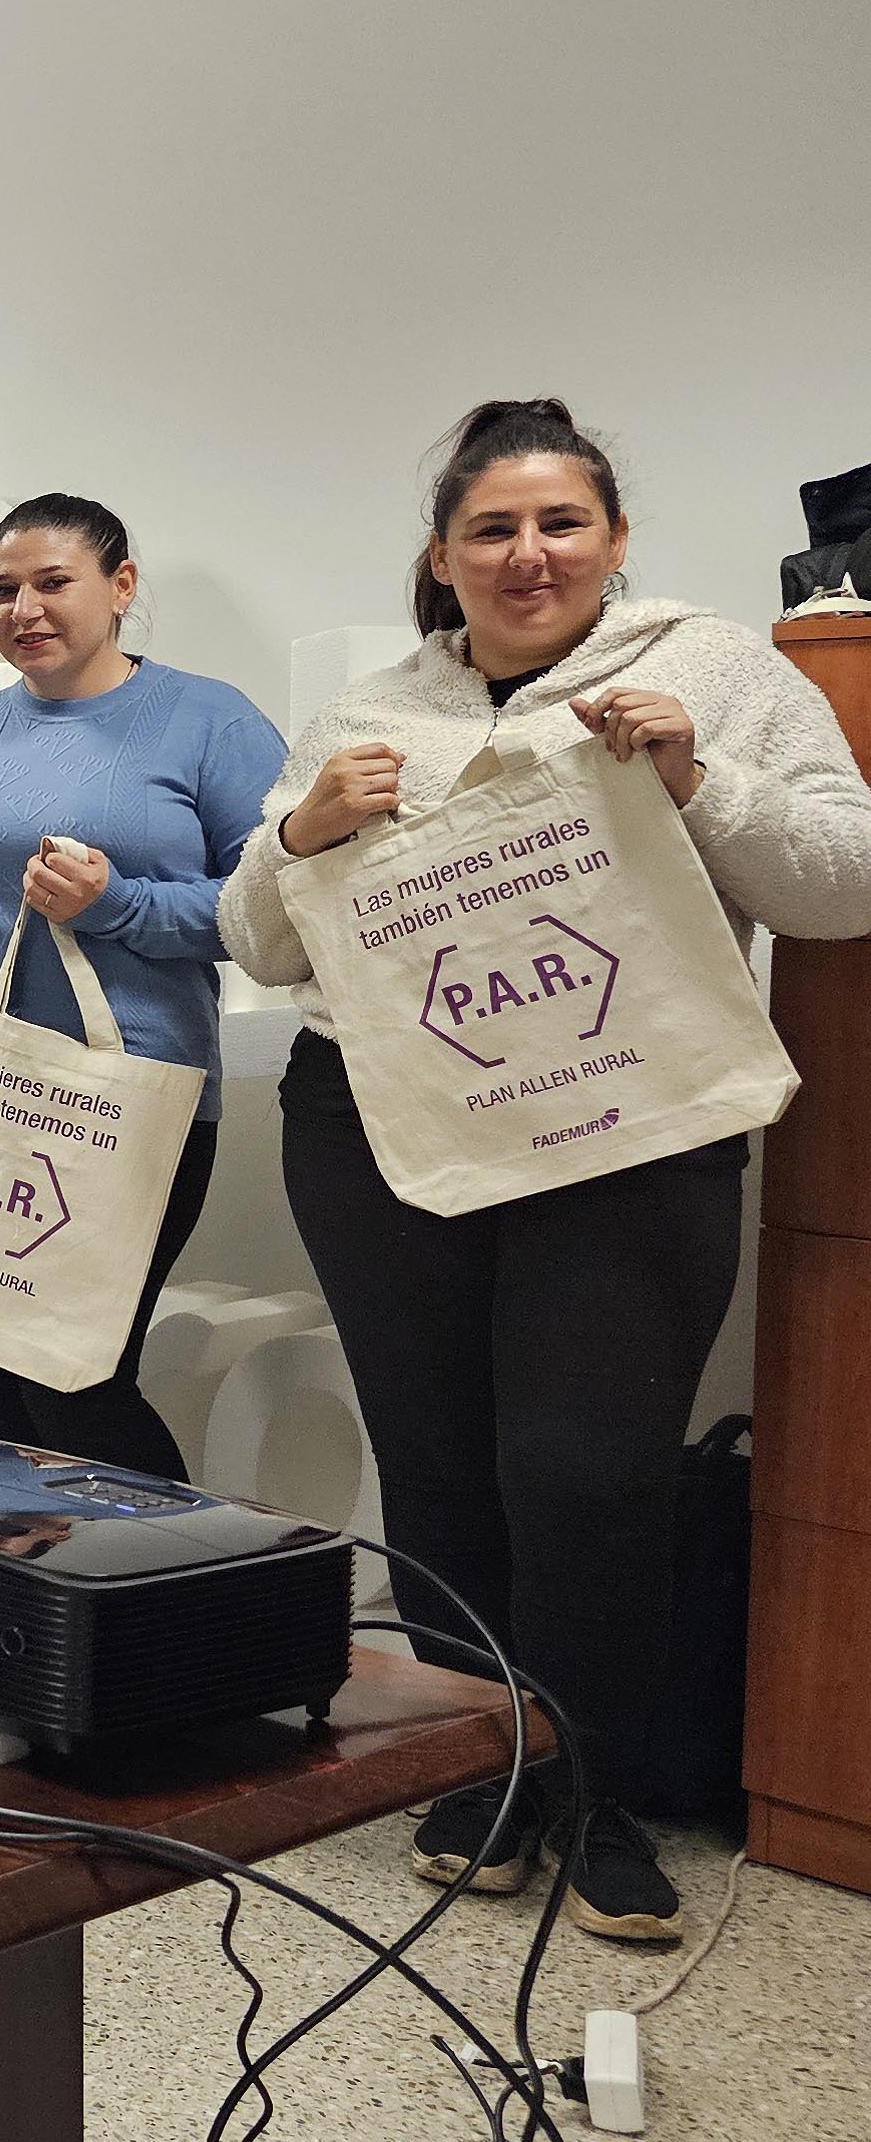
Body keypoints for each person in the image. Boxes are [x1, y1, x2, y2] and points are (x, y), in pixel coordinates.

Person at [225, 399, 871, 1943]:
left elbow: (844, 886)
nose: (528, 555)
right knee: (440, 1465)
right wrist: (301, 835)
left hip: (624, 1129)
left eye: (559, 522)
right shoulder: (367, 706)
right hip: (381, 1130)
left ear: (617, 537)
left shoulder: (708, 665)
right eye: (491, 530)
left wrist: (702, 780)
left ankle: (600, 1791)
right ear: (441, 559)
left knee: (587, 1470)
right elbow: (255, 935)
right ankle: (485, 1766)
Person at [0, 494, 283, 1476]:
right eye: (2, 589)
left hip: (121, 1112)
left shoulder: (208, 720)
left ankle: (176, 1600)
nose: (23, 607)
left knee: (72, 1379)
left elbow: (277, 914)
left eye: (51, 582)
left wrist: (117, 903)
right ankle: (31, 1607)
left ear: (120, 586)